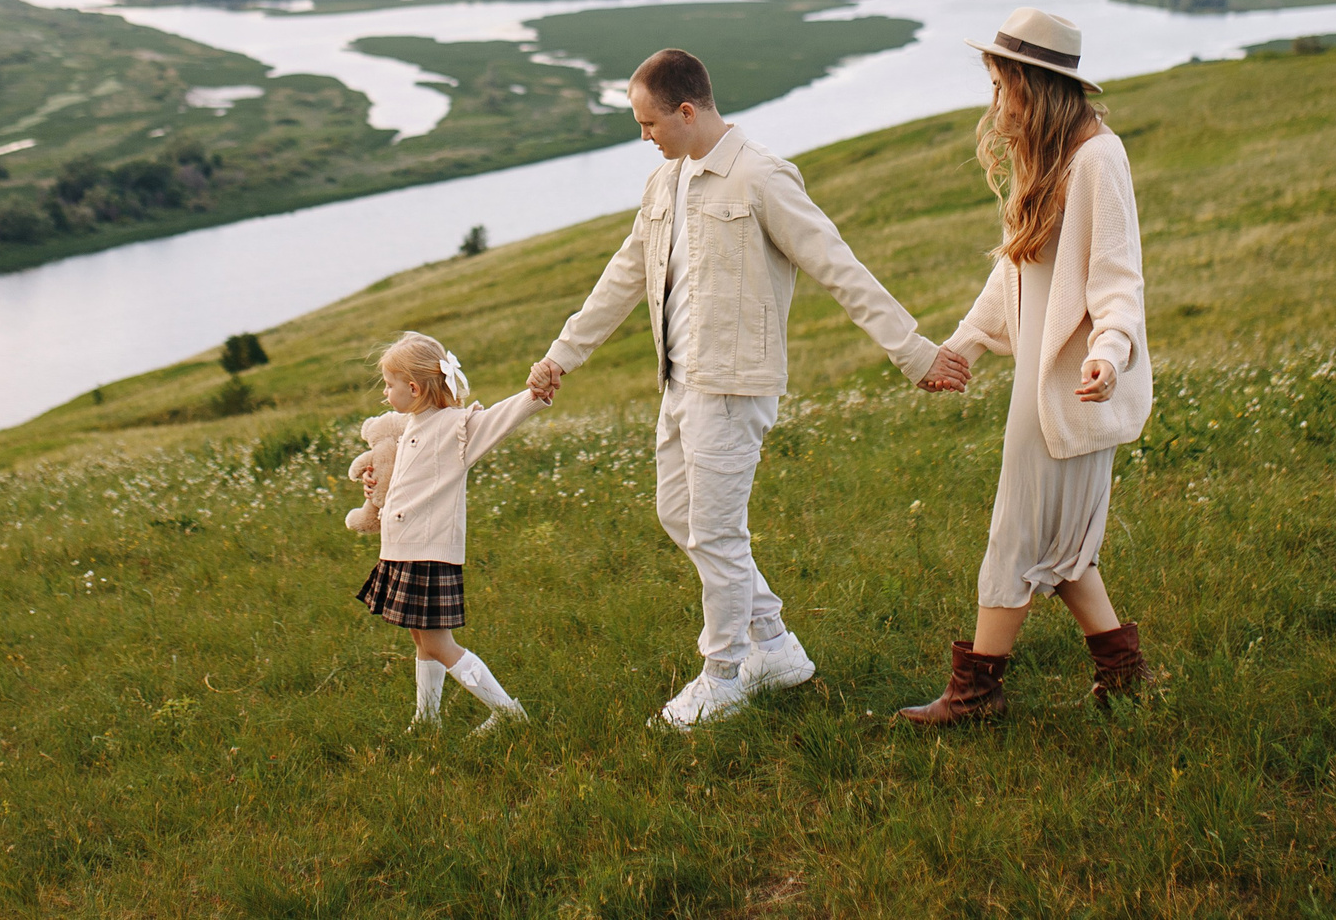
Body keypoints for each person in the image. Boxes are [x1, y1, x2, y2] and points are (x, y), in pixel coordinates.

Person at [528, 47, 969, 730]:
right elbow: (622, 275)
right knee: (681, 516)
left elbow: (838, 265)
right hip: (680, 382)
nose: (642, 135)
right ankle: (776, 645)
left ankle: (725, 674)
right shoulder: (663, 183)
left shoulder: (761, 176)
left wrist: (915, 353)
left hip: (735, 387)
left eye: (648, 122)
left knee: (717, 530)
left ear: (687, 109)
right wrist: (563, 353)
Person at [898, 7, 1155, 727]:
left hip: (1074, 385)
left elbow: (1117, 280)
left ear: (1035, 85)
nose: (995, 99)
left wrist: (1107, 357)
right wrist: (964, 345)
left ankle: (976, 694)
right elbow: (1015, 271)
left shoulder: (1099, 158)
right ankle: (1124, 675)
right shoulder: (1046, 155)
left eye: (1002, 81)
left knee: (1016, 538)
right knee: (1066, 550)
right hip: (1041, 389)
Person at [355, 332, 545, 732]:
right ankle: (427, 718)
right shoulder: (409, 425)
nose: (385, 393)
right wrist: (378, 488)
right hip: (402, 550)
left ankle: (510, 715)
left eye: (389, 385)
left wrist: (534, 395)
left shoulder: (455, 427)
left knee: (440, 644)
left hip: (428, 553)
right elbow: (403, 479)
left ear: (413, 387)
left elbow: (498, 419)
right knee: (421, 640)